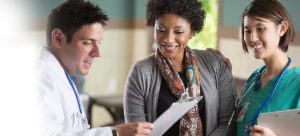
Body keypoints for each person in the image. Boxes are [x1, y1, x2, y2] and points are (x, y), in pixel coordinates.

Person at [37, 0, 153, 136]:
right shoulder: (41, 77)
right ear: (58, 39)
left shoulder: (62, 73)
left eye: (98, 43)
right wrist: (115, 133)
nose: (97, 53)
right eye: (87, 43)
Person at [124, 0, 236, 135]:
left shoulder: (215, 64)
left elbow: (228, 122)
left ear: (192, 31)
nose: (169, 39)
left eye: (178, 31)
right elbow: (135, 131)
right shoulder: (140, 72)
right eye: (161, 30)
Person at [236, 0, 300, 136]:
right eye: (247, 31)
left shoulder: (297, 81)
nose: (252, 38)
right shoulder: (255, 77)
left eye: (261, 29)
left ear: (282, 28)